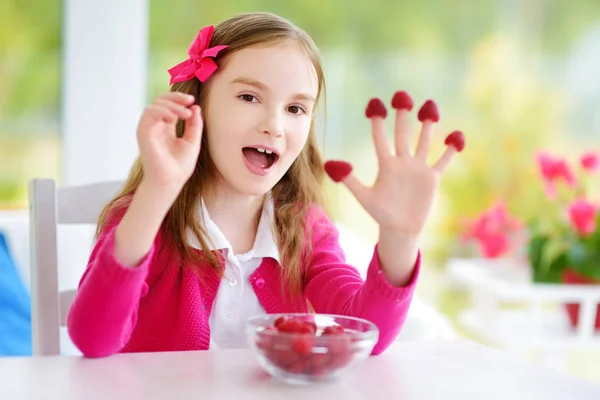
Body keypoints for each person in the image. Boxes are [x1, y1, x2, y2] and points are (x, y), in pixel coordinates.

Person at [66, 12, 462, 358]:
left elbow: (365, 334)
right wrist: (155, 193)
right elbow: (93, 340)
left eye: (295, 108)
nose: (274, 124)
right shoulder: (141, 218)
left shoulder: (306, 228)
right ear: (197, 104)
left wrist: (399, 239)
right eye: (249, 96)